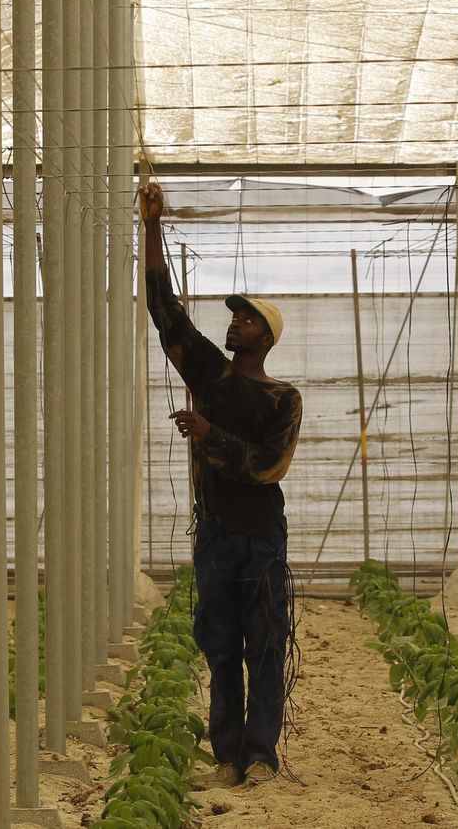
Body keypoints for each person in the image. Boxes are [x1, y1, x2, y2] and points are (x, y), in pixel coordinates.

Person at [139, 181, 303, 787]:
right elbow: (164, 311)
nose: (235, 322)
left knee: (263, 646)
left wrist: (211, 436)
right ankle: (227, 756)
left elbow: (269, 466)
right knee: (218, 646)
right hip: (214, 536)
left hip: (260, 540)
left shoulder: (282, 398)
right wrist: (151, 226)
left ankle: (261, 755)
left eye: (248, 317)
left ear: (267, 335)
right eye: (234, 315)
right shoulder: (209, 372)